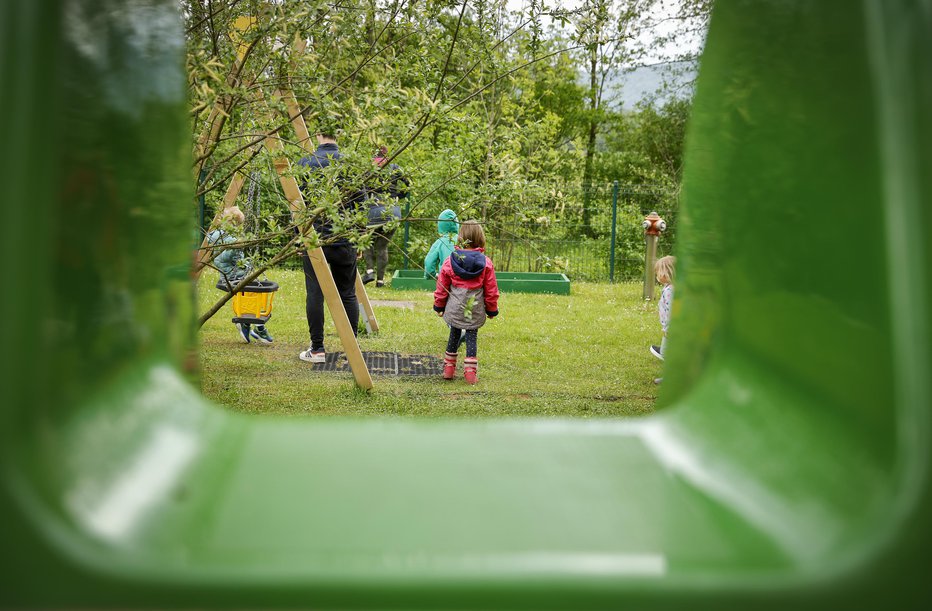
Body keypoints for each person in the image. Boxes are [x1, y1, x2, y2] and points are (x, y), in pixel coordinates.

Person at [295, 128, 363, 363]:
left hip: (315, 238)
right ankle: (351, 351)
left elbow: (297, 203)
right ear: (339, 134)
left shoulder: (306, 163)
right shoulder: (351, 165)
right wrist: (359, 237)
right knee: (348, 293)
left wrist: (299, 236)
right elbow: (361, 204)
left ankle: (317, 349)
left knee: (315, 293)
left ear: (317, 134)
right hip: (345, 238)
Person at [433, 220, 500, 384]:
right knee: (471, 337)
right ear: (480, 238)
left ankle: (448, 369)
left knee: (454, 335)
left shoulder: (450, 261)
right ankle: (470, 373)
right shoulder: (486, 263)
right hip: (473, 308)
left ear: (461, 238)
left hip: (455, 307)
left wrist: (439, 305)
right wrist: (491, 310)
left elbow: (442, 286)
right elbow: (491, 290)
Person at [206, 205, 274, 344]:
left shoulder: (215, 235)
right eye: (240, 225)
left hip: (227, 275)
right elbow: (235, 261)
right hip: (234, 277)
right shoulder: (232, 241)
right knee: (254, 295)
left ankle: (247, 325)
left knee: (249, 298)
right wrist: (248, 264)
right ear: (234, 224)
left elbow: (211, 241)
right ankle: (258, 327)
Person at [362, 146, 409, 287]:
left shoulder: (369, 168)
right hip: (392, 212)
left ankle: (370, 271)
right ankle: (380, 281)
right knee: (382, 246)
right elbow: (409, 184)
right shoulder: (394, 167)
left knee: (365, 241)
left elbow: (360, 187)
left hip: (374, 211)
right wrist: (399, 196)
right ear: (386, 155)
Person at [650, 255, 676, 369]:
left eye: (657, 273)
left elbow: (672, 311)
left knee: (666, 353)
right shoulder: (670, 286)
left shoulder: (671, 291)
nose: (657, 276)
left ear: (665, 273)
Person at [423, 209, 459, 279]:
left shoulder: (440, 242)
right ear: (456, 224)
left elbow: (429, 262)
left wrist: (431, 275)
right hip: (462, 279)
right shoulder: (463, 240)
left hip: (445, 279)